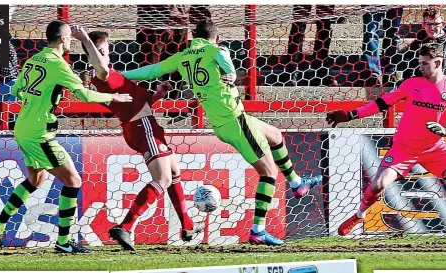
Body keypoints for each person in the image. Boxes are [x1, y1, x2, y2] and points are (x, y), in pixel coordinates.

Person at [121, 20, 323, 246]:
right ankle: (258, 230)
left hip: (223, 122)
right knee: (269, 173)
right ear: (217, 37)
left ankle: (296, 183)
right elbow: (228, 66)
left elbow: (150, 71)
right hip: (234, 121)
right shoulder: (217, 50)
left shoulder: (182, 57)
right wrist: (231, 74)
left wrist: (118, 74)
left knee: (275, 135)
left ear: (193, 37)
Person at [326, 43, 446, 243]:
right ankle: (359, 216)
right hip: (404, 148)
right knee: (378, 185)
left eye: (424, 63)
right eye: (420, 63)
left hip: (436, 149)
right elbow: (382, 103)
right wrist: (351, 114)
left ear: (438, 63)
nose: (420, 67)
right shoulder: (411, 84)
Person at [0, 20, 132, 254]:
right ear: (63, 38)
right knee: (73, 181)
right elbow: (83, 95)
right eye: (70, 38)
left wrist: (38, 98)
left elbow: (16, 90)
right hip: (40, 133)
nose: (71, 41)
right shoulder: (58, 65)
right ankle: (64, 242)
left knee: (35, 180)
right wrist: (114, 98)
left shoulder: (32, 60)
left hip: (23, 127)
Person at [76, 28, 203, 251]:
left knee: (173, 172)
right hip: (142, 127)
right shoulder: (102, 74)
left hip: (143, 124)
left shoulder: (112, 76)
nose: (106, 54)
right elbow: (101, 66)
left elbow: (132, 106)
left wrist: (156, 96)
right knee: (163, 179)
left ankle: (187, 226)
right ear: (92, 53)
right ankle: (126, 226)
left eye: (106, 50)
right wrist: (85, 39)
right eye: (101, 51)